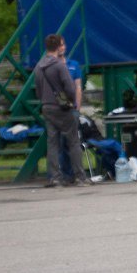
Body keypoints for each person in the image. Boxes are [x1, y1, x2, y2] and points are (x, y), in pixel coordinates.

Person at [34, 34, 91, 188]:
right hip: (62, 107)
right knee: (73, 142)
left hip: (47, 107)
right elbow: (70, 87)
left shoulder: (39, 66)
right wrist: (72, 102)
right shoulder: (59, 65)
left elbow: (38, 91)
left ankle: (55, 178)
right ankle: (80, 177)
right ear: (58, 46)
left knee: (52, 143)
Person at [58, 52, 83, 184]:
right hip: (60, 109)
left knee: (73, 142)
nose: (61, 48)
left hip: (72, 108)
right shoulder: (53, 66)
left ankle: (78, 174)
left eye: (63, 45)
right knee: (61, 143)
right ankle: (66, 175)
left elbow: (78, 87)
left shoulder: (73, 65)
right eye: (59, 45)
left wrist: (77, 107)